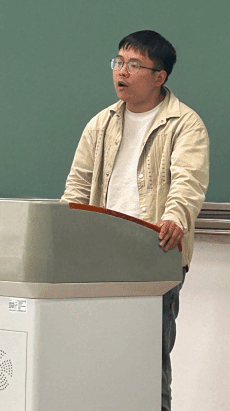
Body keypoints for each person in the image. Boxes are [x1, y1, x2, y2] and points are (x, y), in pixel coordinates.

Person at [60, 30, 209, 411]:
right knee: (95, 360)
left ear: (159, 76)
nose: (121, 72)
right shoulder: (101, 124)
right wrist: (61, 231)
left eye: (134, 65)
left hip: (153, 254)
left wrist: (175, 218)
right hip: (98, 258)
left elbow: (188, 183)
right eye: (118, 62)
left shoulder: (184, 123)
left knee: (148, 366)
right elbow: (77, 186)